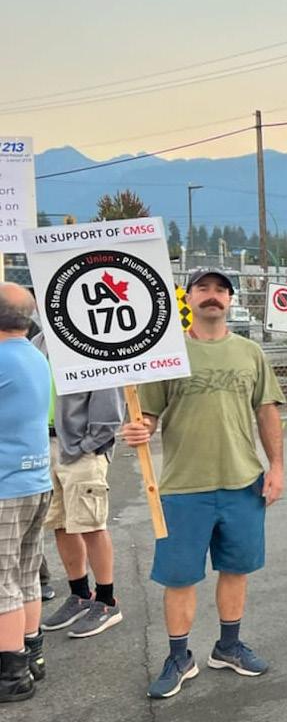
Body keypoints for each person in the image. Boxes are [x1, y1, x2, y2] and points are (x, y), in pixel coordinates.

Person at [121, 268, 285, 698]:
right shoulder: (167, 355)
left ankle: (228, 647)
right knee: (179, 577)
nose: (213, 295)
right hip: (183, 487)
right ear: (189, 297)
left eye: (221, 290)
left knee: (236, 570)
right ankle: (179, 657)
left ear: (230, 300)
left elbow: (267, 412)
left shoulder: (250, 353)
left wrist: (277, 467)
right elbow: (148, 415)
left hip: (242, 483)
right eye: (203, 288)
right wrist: (139, 429)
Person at [33, 333, 125, 639]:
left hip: (81, 450)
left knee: (90, 524)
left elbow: (110, 405)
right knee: (60, 523)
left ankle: (107, 601)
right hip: (44, 444)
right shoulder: (37, 343)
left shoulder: (91, 340)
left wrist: (86, 445)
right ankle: (80, 594)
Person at [0, 283, 51, 702]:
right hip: (35, 480)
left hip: (4, 485)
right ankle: (32, 652)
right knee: (26, 574)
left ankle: (11, 673)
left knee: (2, 583)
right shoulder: (35, 355)